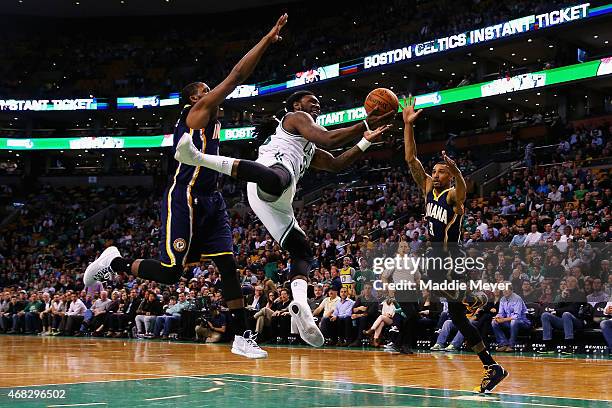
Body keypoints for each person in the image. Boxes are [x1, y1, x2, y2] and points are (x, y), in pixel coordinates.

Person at [82, 14, 290, 359]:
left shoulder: (214, 120)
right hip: (185, 198)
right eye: (204, 91)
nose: (211, 93)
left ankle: (241, 336)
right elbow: (237, 75)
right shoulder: (196, 115)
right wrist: (267, 40)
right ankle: (115, 262)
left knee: (227, 264)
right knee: (170, 272)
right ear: (193, 101)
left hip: (213, 199)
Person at [174, 88, 393, 348]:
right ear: (296, 104)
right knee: (280, 178)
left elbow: (336, 163)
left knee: (302, 252)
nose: (317, 106)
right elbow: (329, 139)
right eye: (313, 101)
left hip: (276, 199)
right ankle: (197, 157)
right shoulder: (294, 119)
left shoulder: (307, 146)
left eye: (319, 103)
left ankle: (300, 302)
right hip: (269, 177)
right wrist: (366, 123)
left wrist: (365, 141)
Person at [402, 96, 507, 393]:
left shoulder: (451, 197)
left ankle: (475, 296)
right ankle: (491, 366)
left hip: (451, 258)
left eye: (441, 172)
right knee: (457, 317)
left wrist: (457, 172)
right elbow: (411, 160)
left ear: (449, 175)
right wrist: (407, 125)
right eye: (434, 171)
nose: (435, 175)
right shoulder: (427, 190)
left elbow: (462, 190)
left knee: (443, 294)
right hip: (437, 258)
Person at [491, 284, 531, 352]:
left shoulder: (517, 298)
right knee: (494, 322)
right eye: (503, 290)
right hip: (509, 322)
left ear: (511, 290)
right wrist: (497, 317)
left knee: (514, 321)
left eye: (507, 289)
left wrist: (503, 319)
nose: (505, 291)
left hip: (523, 322)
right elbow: (501, 313)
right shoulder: (502, 299)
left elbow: (517, 316)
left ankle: (511, 345)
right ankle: (503, 344)